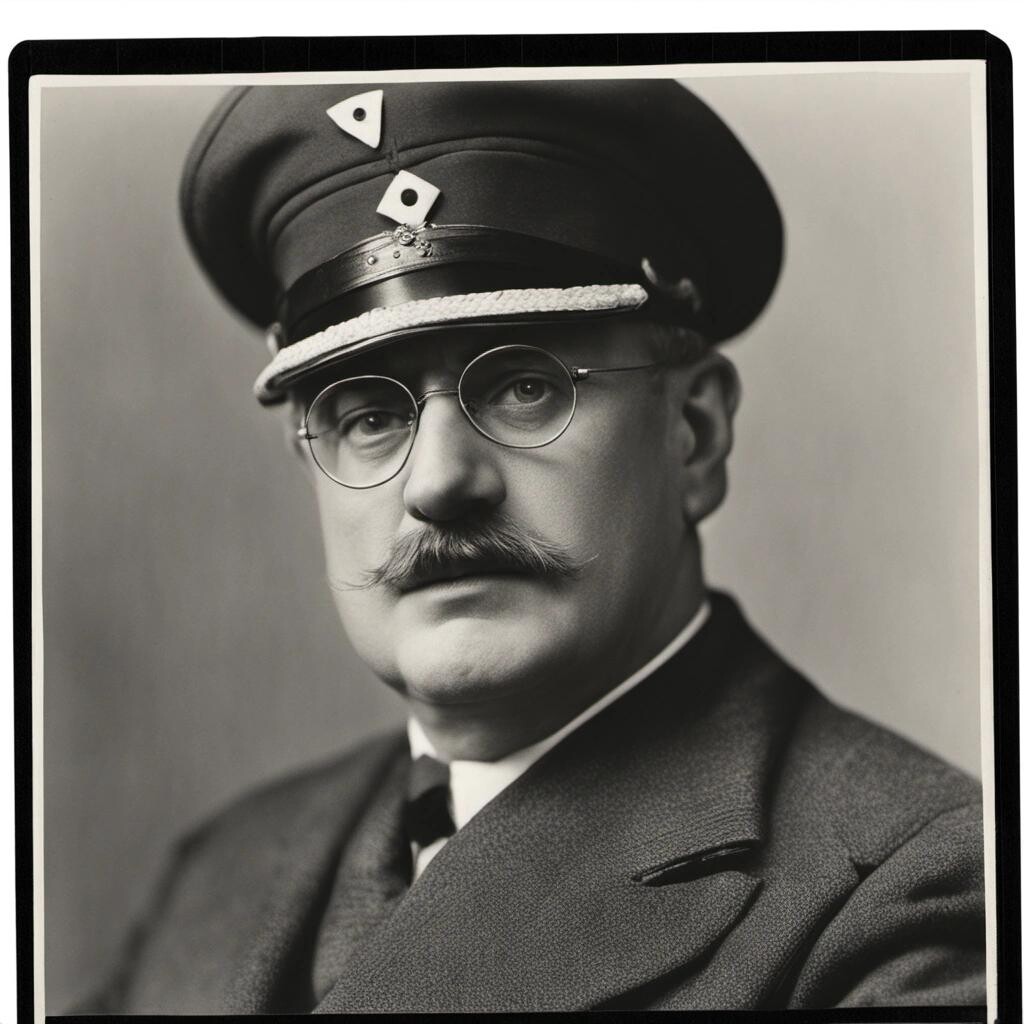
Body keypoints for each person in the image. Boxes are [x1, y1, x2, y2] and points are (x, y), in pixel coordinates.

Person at [83, 79, 985, 1013]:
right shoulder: (216, 883)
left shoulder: (919, 899)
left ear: (695, 436)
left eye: (525, 387)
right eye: (369, 416)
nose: (438, 483)